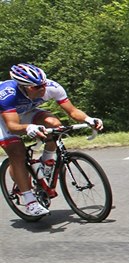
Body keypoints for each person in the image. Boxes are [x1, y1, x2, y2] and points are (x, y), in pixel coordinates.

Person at [0, 63, 104, 217]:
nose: (42, 88)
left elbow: (73, 111)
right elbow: (13, 125)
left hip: (27, 112)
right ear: (23, 86)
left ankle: (46, 161)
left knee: (54, 125)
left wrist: (89, 119)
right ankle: (30, 201)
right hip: (5, 119)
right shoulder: (7, 94)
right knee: (17, 153)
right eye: (36, 87)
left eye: (43, 84)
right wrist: (29, 128)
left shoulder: (52, 87)